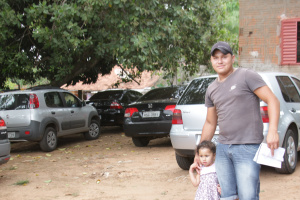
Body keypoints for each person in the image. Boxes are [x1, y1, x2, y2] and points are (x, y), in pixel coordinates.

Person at [199, 41, 280, 200]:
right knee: (227, 196)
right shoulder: (211, 89)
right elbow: (210, 122)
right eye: (216, 58)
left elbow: (273, 100)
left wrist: (273, 130)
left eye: (224, 57)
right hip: (223, 148)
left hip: (247, 146)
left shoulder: (246, 75)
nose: (220, 61)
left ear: (233, 58)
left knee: (247, 196)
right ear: (211, 61)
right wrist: (199, 150)